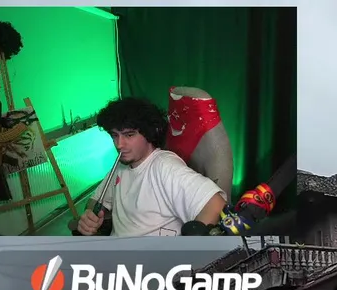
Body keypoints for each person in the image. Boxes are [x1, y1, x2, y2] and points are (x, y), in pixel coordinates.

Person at [76, 97, 228, 237]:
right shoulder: (121, 166)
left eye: (129, 135)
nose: (119, 144)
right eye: (115, 135)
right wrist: (90, 215)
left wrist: (190, 251)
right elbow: (96, 200)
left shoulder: (165, 167)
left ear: (150, 133)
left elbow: (216, 205)